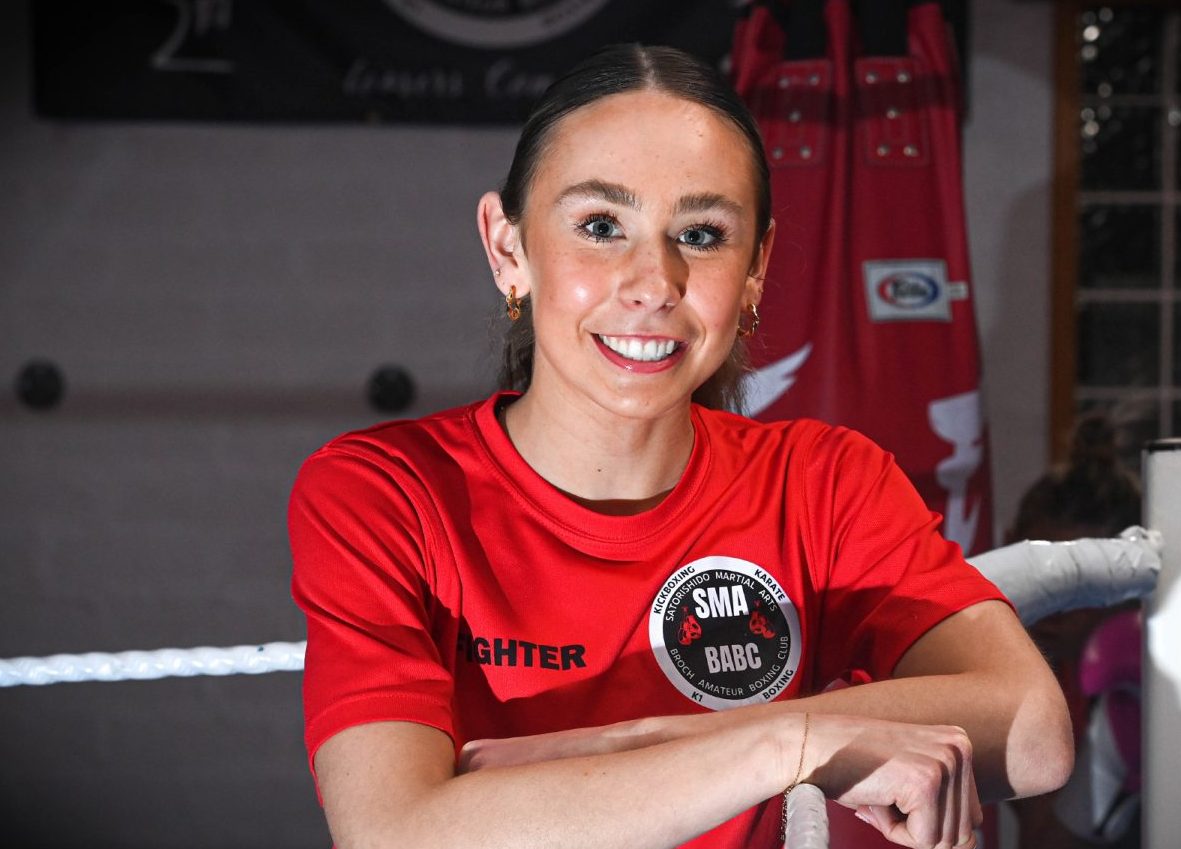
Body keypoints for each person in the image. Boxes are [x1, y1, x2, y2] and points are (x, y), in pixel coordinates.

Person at [289, 44, 1072, 849]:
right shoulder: (387, 492)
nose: (654, 281)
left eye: (700, 233)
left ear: (757, 268)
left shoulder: (825, 482)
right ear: (508, 248)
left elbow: (1034, 730)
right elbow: (392, 833)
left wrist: (629, 744)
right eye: (601, 226)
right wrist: (785, 745)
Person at [1003, 413, 1142, 849]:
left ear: (1127, 586)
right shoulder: (1007, 661)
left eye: (1082, 586)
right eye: (1041, 575)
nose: (1058, 606)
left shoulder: (1145, 666)